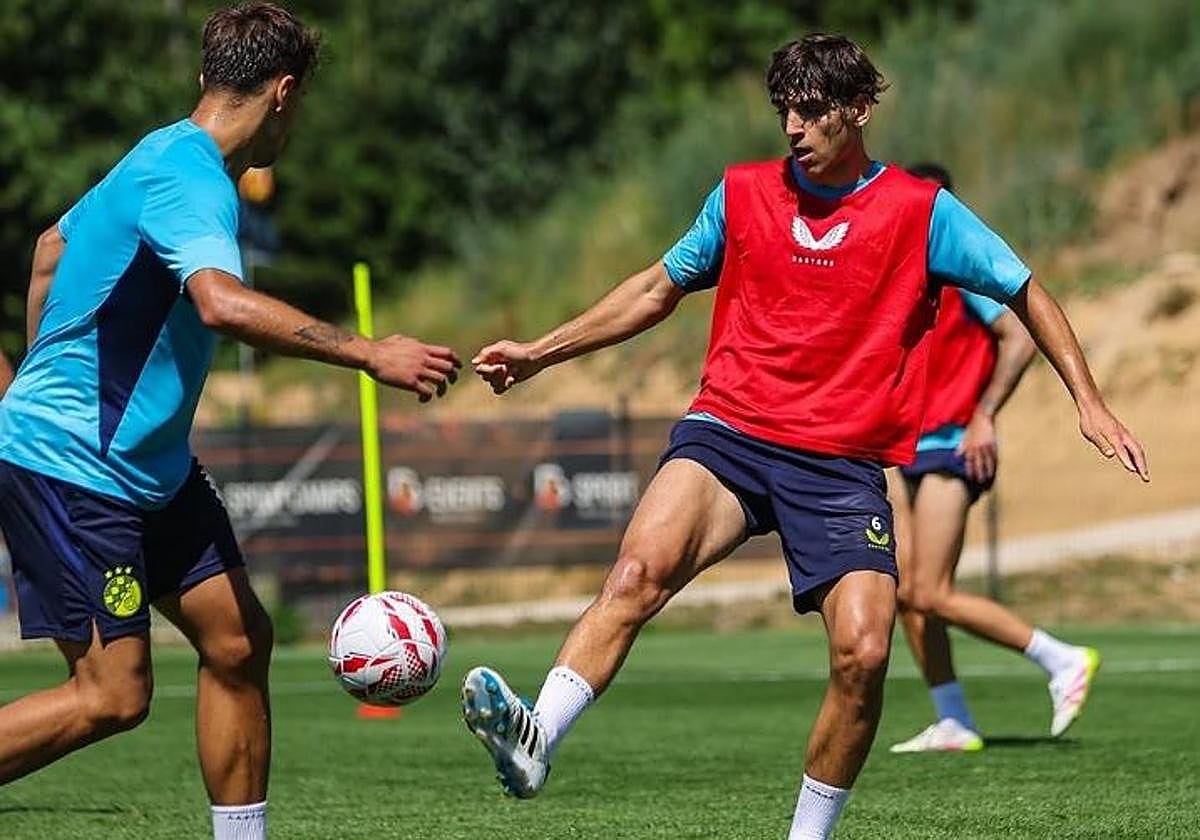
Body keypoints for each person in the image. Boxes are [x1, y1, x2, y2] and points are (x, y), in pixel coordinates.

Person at [459, 34, 1148, 840]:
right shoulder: (742, 193)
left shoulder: (922, 211)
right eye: (784, 108)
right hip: (731, 431)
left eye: (812, 109)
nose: (792, 126)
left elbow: (1027, 290)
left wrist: (1089, 402)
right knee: (638, 570)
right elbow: (654, 289)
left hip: (840, 464)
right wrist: (541, 352)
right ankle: (538, 739)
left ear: (858, 110)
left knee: (864, 652)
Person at [0, 5, 460, 840]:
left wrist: (40, 376)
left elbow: (47, 250)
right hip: (76, 468)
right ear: (284, 93)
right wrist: (367, 353)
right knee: (114, 694)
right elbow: (218, 303)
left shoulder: (156, 153)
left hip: (149, 473)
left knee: (240, 641)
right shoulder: (192, 176)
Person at [887, 164, 1096, 754]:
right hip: (906, 449)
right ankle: (953, 718)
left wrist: (985, 414)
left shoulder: (964, 273)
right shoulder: (906, 277)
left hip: (954, 445)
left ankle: (1061, 658)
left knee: (930, 591)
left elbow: (1021, 335)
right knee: (906, 592)